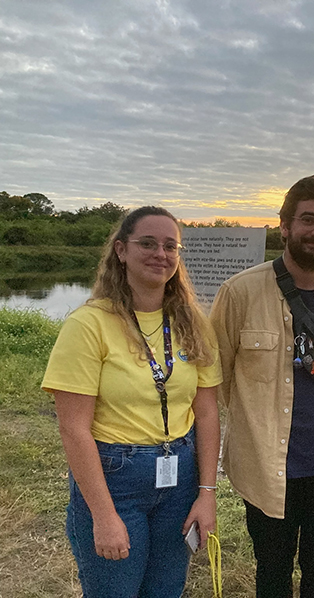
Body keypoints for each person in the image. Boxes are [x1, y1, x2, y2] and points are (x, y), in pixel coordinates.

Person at [42, 206, 222, 598]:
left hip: (180, 476)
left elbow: (207, 412)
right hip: (115, 478)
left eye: (170, 246)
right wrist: (103, 515)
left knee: (165, 590)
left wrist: (206, 493)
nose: (161, 253)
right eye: (148, 243)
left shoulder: (193, 324)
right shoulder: (89, 324)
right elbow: (73, 428)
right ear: (121, 250)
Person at [210, 173, 314, 597]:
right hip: (267, 465)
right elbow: (218, 378)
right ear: (285, 226)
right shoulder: (239, 292)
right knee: (273, 571)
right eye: (308, 219)